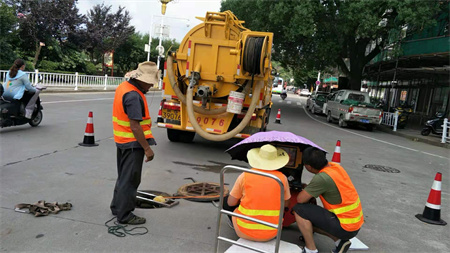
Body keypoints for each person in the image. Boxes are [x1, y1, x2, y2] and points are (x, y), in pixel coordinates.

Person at [110, 61, 159, 225]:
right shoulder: (133, 96)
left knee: (123, 177)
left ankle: (117, 207)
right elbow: (135, 126)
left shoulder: (124, 87)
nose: (151, 86)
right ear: (141, 79)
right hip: (132, 143)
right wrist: (147, 149)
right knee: (130, 180)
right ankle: (125, 215)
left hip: (122, 141)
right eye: (150, 82)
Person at [293, 147, 363, 253]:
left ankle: (310, 249)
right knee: (310, 213)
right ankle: (339, 241)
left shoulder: (322, 178)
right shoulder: (336, 168)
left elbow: (300, 199)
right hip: (354, 224)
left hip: (345, 227)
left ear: (308, 166)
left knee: (299, 210)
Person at [224, 144, 291, 242]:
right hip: (272, 233)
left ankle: (235, 225)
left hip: (244, 231)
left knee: (226, 201)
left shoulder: (245, 175)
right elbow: (286, 204)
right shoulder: (282, 178)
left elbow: (231, 203)